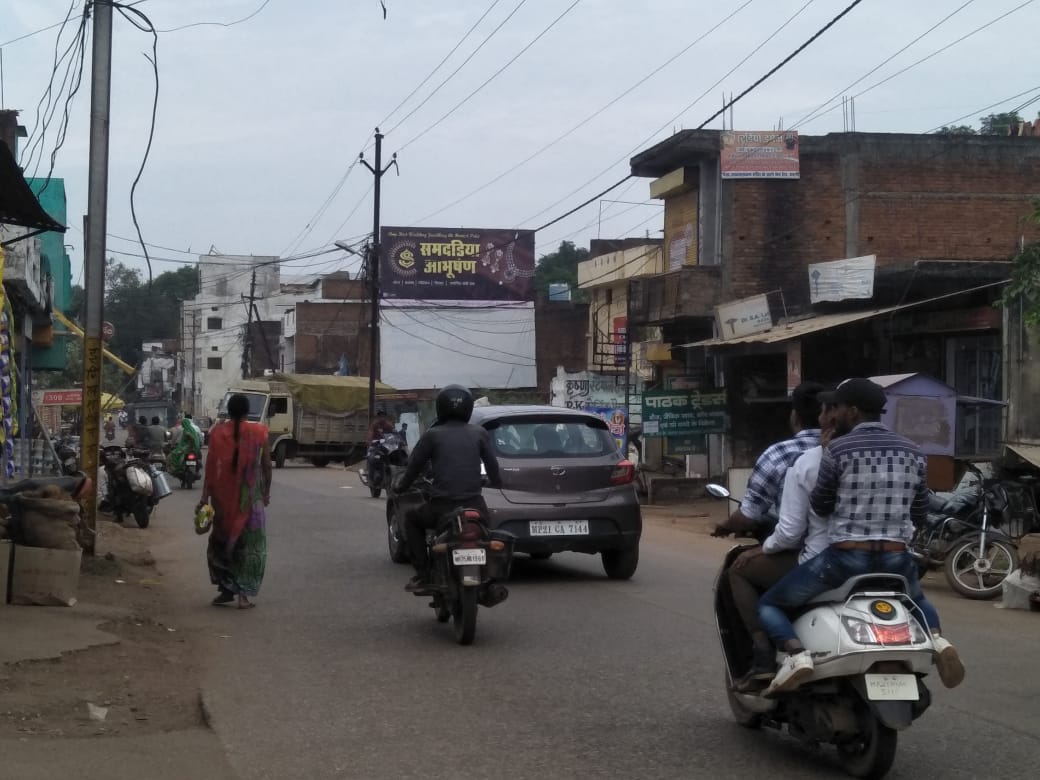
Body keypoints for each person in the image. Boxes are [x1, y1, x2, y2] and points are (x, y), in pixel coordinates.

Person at [758, 378, 965, 695]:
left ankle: (797, 656)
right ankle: (937, 638)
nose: (833, 413)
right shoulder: (913, 452)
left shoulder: (837, 449)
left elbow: (822, 506)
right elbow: (921, 512)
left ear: (852, 411)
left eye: (838, 407)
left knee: (770, 604)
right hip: (897, 557)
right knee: (919, 599)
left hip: (846, 558)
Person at [723, 385, 827, 690]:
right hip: (871, 553)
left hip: (811, 554)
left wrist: (746, 538)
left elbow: (783, 528)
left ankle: (764, 653)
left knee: (740, 571)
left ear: (795, 416)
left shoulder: (790, 457)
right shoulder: (854, 454)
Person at [393, 385, 501, 592]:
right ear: (468, 408)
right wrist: (494, 482)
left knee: (412, 519)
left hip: (442, 507)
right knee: (488, 533)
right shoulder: (480, 433)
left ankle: (423, 574)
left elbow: (413, 468)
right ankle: (489, 577)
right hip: (475, 505)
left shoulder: (432, 435)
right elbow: (492, 468)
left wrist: (401, 486)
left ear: (440, 407)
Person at [713, 382, 824, 540]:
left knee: (741, 563)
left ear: (795, 417)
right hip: (840, 547)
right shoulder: (843, 449)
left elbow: (749, 515)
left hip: (795, 547)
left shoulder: (778, 454)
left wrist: (726, 525)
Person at [197, 394, 272, 609]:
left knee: (221, 544)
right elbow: (266, 466)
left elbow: (211, 468)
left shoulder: (218, 433)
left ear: (228, 411)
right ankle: (243, 595)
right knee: (249, 547)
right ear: (248, 411)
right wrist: (265, 491)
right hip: (250, 499)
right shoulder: (259, 432)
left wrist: (205, 497)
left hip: (222, 499)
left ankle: (226, 589)